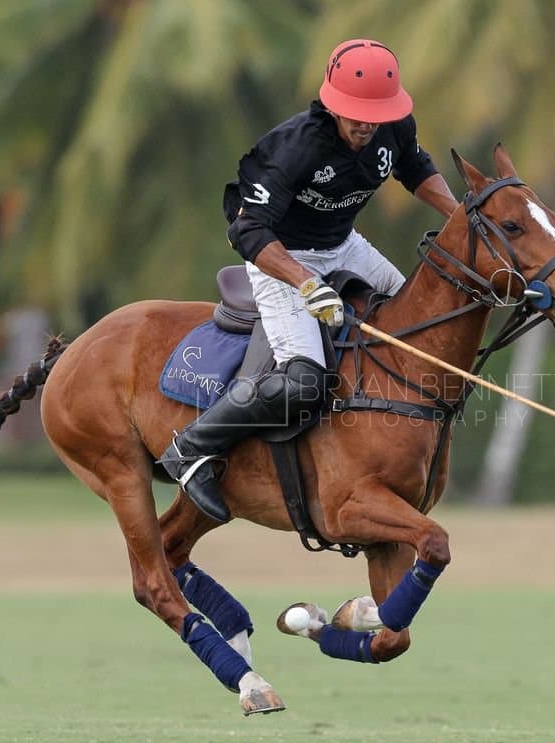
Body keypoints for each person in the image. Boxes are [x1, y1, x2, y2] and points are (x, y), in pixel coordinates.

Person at [160, 38, 459, 522]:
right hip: (281, 256)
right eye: (356, 113)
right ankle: (191, 449)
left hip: (346, 245)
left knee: (419, 325)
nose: (366, 124)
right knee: (302, 380)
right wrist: (305, 282)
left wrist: (463, 216)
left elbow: (416, 169)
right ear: (333, 103)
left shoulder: (393, 124)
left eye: (375, 114)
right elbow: (248, 228)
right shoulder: (293, 148)